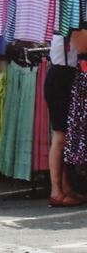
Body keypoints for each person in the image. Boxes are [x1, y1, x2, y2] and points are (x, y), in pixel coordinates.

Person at [45, 23, 87, 207]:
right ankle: (56, 191)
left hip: (64, 75)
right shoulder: (70, 21)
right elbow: (82, 45)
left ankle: (65, 187)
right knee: (60, 135)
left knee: (64, 135)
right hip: (61, 77)